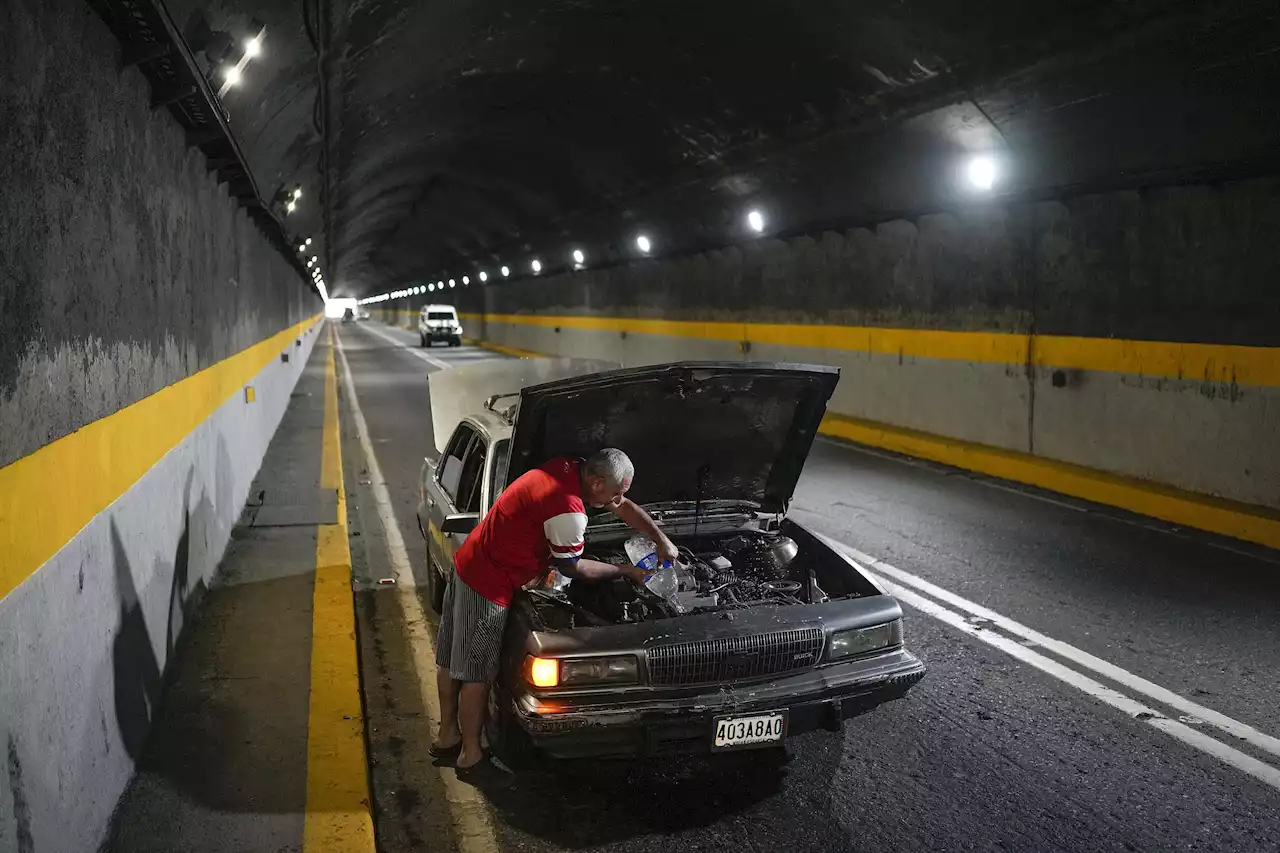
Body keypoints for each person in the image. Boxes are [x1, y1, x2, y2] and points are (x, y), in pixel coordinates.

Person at [430, 447, 676, 788]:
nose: (618, 500)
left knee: (448, 657)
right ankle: (470, 755)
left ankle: (447, 735)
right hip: (487, 582)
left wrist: (659, 538)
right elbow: (573, 568)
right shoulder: (568, 511)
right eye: (615, 492)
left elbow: (620, 505)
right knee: (477, 673)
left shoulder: (566, 467)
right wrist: (627, 571)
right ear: (596, 481)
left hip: (469, 559)